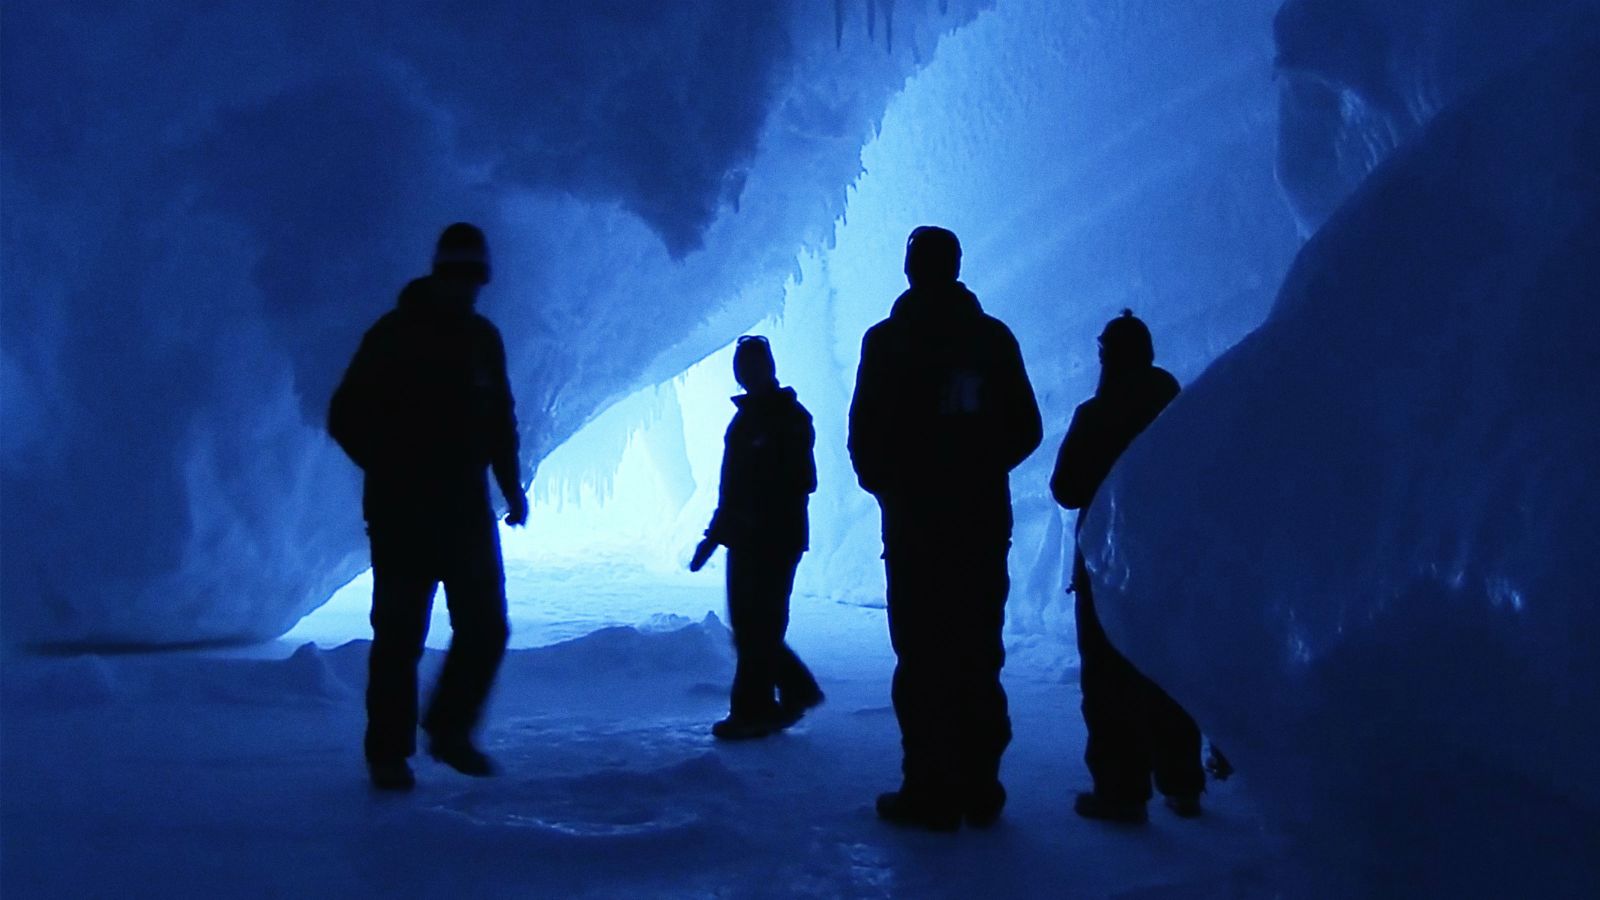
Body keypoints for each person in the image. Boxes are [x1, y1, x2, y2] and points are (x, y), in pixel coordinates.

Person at [848, 226, 1042, 831]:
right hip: (980, 522)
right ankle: (980, 785)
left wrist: (896, 488)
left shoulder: (886, 342)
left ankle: (929, 788)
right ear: (957, 267)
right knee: (976, 652)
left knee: (923, 655)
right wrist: (979, 469)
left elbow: (863, 438)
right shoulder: (991, 339)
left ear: (909, 270)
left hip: (915, 527)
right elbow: (1026, 428)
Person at [328, 222, 527, 791]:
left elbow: (500, 422)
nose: (467, 286)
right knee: (399, 638)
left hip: (466, 510)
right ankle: (389, 755)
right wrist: (390, 469)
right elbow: (345, 414)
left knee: (486, 627)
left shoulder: (483, 339)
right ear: (439, 272)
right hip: (403, 514)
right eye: (458, 274)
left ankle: (447, 729)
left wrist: (511, 488)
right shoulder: (394, 335)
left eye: (474, 276)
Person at [1050, 309, 1205, 823]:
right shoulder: (1180, 411)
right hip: (1168, 561)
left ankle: (1121, 789)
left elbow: (1066, 489)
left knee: (1108, 681)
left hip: (1102, 563)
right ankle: (1182, 783)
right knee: (1168, 670)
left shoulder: (1094, 415)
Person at [690, 335, 825, 740]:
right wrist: (714, 537)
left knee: (756, 627)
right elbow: (731, 490)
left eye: (750, 365)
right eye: (741, 366)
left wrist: (745, 519)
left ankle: (755, 709)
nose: (745, 373)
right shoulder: (751, 420)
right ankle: (777, 699)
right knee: (754, 626)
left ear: (766, 367)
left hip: (773, 539)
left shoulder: (789, 418)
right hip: (751, 537)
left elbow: (803, 480)